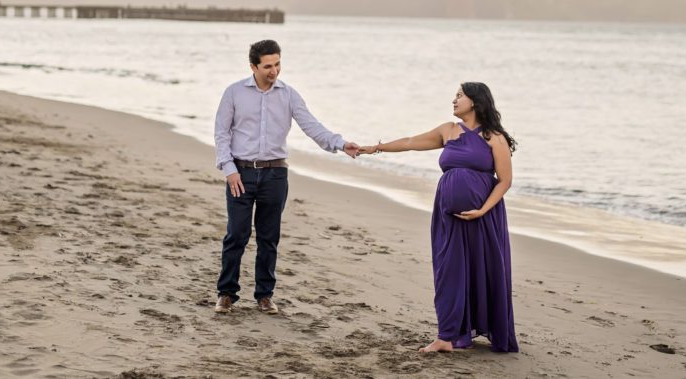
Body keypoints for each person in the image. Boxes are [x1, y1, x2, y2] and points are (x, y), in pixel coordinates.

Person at [359, 81, 519, 353]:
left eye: (459, 96)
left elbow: (505, 181)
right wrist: (375, 148)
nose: (454, 100)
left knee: (483, 271)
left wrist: (482, 210)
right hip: (448, 217)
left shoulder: (494, 137)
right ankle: (447, 336)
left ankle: (474, 330)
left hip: (483, 219)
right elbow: (410, 142)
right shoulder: (448, 130)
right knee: (448, 271)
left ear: (475, 101)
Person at [214, 39, 360, 314]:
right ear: (253, 67)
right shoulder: (234, 93)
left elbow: (312, 127)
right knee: (236, 235)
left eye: (278, 64)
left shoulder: (289, 95)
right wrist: (229, 169)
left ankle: (264, 296)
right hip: (241, 173)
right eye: (268, 66)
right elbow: (221, 133)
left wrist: (341, 144)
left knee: (269, 238)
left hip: (275, 174)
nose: (274, 71)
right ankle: (226, 294)